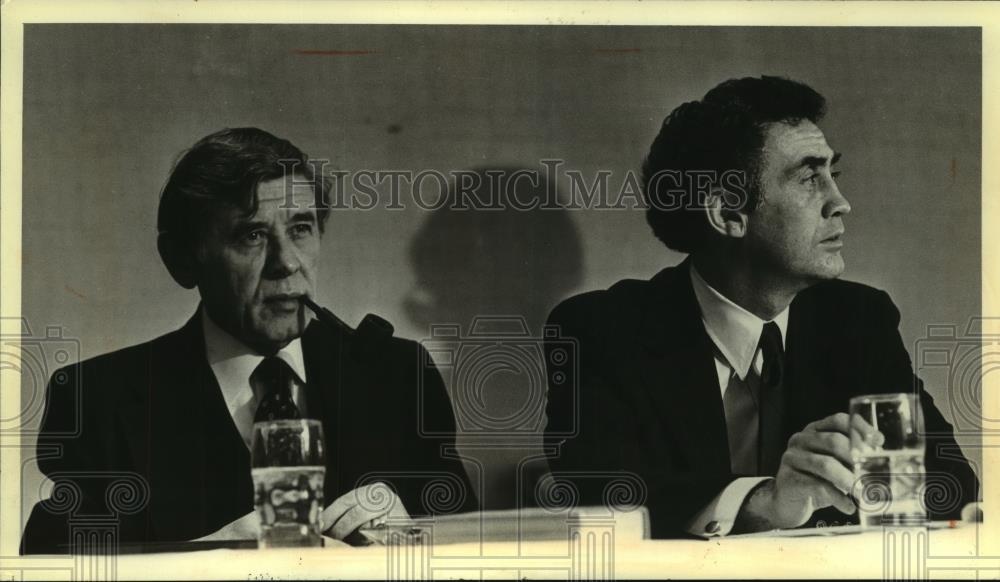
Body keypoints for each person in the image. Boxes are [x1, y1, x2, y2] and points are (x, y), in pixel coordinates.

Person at [542, 76, 979, 538]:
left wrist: (882, 486)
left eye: (835, 175)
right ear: (728, 214)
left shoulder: (859, 319)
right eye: (810, 178)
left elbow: (953, 488)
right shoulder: (601, 332)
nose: (841, 203)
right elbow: (600, 497)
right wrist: (764, 502)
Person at [22, 128, 475, 554]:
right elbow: (52, 565)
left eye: (301, 229)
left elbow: (472, 543)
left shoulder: (397, 375)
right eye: (252, 235)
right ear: (181, 260)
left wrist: (416, 534)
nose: (287, 263)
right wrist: (201, 561)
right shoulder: (100, 399)